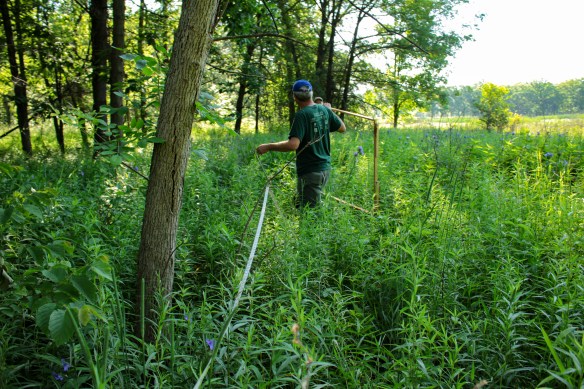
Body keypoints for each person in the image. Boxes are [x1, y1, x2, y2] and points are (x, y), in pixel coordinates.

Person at [256, 79, 346, 207]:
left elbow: (293, 144)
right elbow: (343, 128)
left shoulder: (301, 115)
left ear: (295, 97)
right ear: (311, 94)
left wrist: (268, 146)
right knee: (300, 203)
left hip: (311, 172)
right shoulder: (323, 110)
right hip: (324, 169)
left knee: (310, 213)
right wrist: (329, 111)